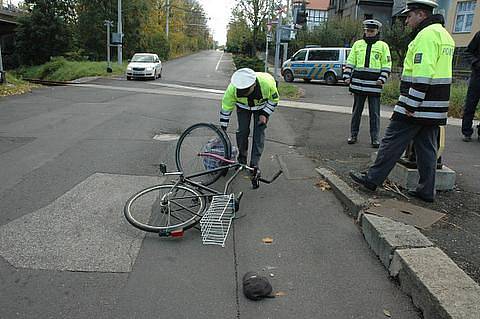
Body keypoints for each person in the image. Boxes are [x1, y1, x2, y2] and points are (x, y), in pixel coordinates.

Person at [349, 0, 455, 202]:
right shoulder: (444, 35)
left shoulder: (426, 36)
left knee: (392, 140)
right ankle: (426, 190)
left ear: (421, 14)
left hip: (417, 105)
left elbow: (423, 74)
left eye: (409, 16)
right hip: (436, 105)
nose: (406, 21)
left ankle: (372, 179)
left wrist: (410, 104)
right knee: (427, 148)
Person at [343, 19, 392, 148]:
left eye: (371, 31)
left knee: (374, 114)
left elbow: (387, 65)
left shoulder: (383, 46)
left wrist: (382, 79)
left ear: (377, 31)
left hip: (374, 86)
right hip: (358, 84)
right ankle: (353, 135)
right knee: (356, 113)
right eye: (367, 31)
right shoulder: (358, 44)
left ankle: (375, 138)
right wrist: (347, 76)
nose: (369, 33)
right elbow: (350, 61)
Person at [220, 68, 279, 169]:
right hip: (243, 107)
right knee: (242, 132)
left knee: (258, 134)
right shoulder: (232, 89)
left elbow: (274, 100)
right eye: (242, 91)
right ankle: (242, 160)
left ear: (254, 84)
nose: (244, 93)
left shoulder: (267, 83)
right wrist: (223, 129)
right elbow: (226, 109)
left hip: (262, 107)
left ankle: (254, 164)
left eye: (247, 90)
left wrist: (265, 114)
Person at [461, 30, 480, 142]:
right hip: (477, 76)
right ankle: (466, 132)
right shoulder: (479, 35)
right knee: (470, 105)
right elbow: (467, 52)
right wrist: (476, 63)